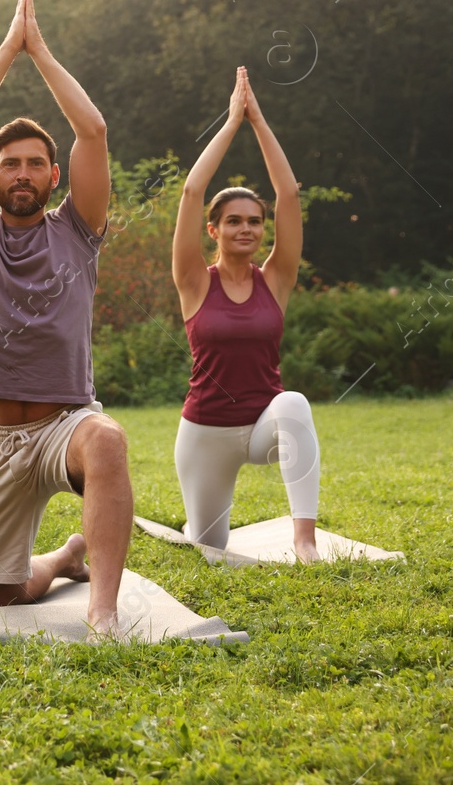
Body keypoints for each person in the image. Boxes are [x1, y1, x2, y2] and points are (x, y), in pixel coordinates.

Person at [0, 0, 134, 636]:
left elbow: (94, 130)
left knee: (106, 437)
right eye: (10, 163)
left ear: (55, 176)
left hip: (61, 427)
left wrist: (41, 51)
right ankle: (63, 557)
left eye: (35, 164)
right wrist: (6, 48)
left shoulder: (79, 230)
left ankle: (101, 609)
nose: (22, 172)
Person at [171, 66, 319, 560]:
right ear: (213, 230)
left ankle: (304, 541)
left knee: (294, 403)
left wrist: (259, 121)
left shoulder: (274, 281)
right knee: (209, 546)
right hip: (205, 433)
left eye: (254, 222)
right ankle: (199, 522)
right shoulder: (194, 282)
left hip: (262, 425)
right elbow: (192, 193)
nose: (247, 229)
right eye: (233, 221)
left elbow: (290, 196)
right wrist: (231, 122)